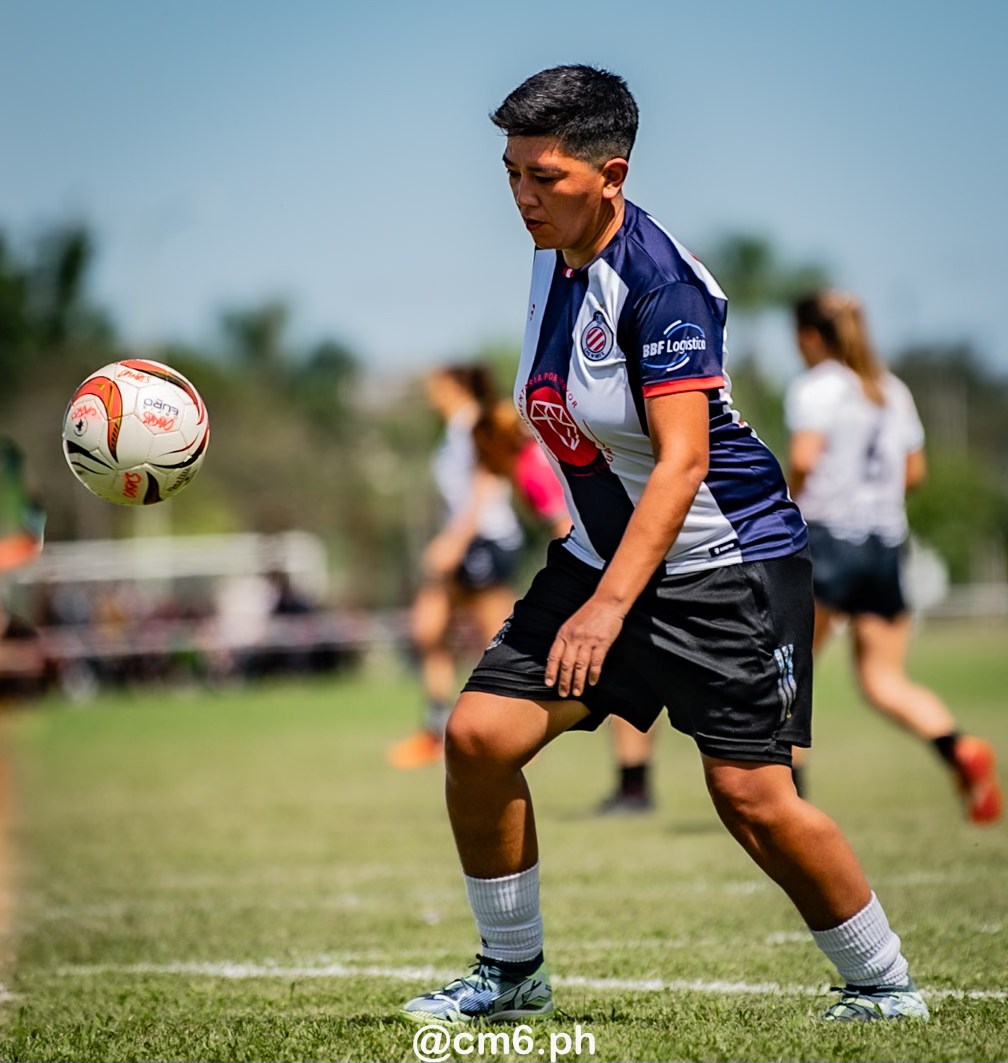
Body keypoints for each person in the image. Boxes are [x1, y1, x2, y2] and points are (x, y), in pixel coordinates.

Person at [400, 64, 929, 1025]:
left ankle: (884, 985)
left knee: (751, 797)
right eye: (510, 172)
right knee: (478, 736)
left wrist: (608, 609)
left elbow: (682, 464)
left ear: (613, 172)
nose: (521, 196)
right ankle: (512, 978)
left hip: (721, 564)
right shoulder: (550, 256)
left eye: (543, 176)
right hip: (605, 554)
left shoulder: (661, 286)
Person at [785, 290, 1002, 824]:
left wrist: (783, 504)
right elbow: (916, 473)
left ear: (811, 337)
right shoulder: (891, 389)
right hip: (884, 547)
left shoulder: (816, 388)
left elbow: (804, 459)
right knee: (885, 680)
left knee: (789, 676)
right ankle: (958, 749)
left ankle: (790, 807)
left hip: (826, 543)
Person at [387, 365, 524, 770]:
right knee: (427, 629)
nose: (429, 391)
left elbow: (485, 486)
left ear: (456, 387)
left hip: (486, 539)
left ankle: (513, 733)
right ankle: (434, 732)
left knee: (498, 641)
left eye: (436, 384)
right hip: (461, 543)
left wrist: (454, 541)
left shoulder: (474, 426)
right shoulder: (449, 433)